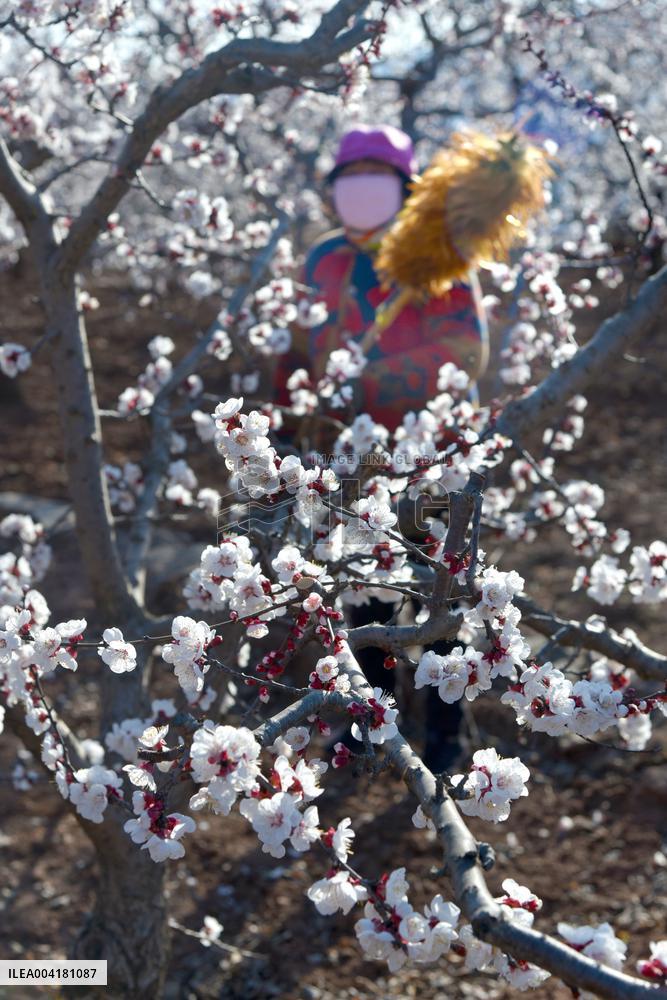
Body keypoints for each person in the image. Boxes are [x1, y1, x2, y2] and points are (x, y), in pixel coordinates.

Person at [274, 125, 489, 772]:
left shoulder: (441, 254)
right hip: (349, 459)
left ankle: (445, 728)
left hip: (433, 460)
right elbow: (293, 342)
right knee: (363, 593)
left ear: (406, 189)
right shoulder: (322, 259)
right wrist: (288, 413)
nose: (363, 194)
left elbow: (465, 350)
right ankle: (372, 718)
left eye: (378, 179)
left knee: (439, 594)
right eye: (352, 180)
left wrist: (366, 379)